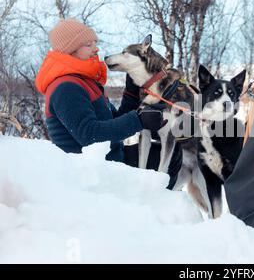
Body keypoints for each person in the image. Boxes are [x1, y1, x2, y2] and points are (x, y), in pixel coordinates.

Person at [35, 18, 181, 185]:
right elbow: (90, 136)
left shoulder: (83, 81)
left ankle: (158, 202)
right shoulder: (65, 88)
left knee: (172, 152)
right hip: (89, 176)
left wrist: (131, 95)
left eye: (94, 43)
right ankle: (149, 205)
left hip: (110, 160)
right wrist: (139, 120)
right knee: (165, 159)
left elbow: (111, 123)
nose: (96, 49)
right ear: (70, 50)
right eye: (88, 45)